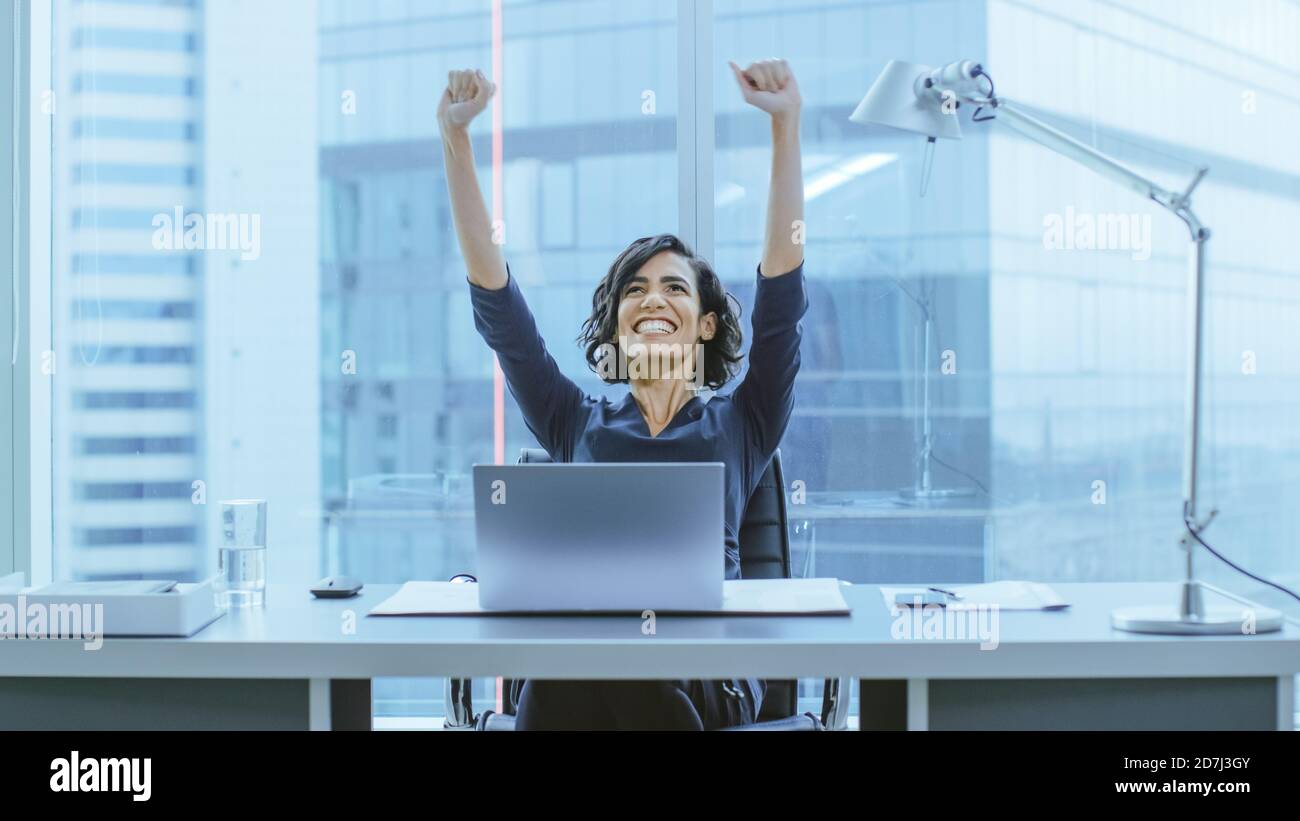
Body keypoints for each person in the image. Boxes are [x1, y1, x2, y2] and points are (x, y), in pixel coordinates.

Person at [438, 58, 807, 730]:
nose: (652, 298)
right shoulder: (573, 420)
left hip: (706, 675)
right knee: (568, 678)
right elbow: (498, 306)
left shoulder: (742, 424)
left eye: (673, 287)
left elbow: (781, 300)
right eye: (633, 290)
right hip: (581, 664)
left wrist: (786, 127)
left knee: (620, 683)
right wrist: (456, 141)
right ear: (617, 325)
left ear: (707, 323)